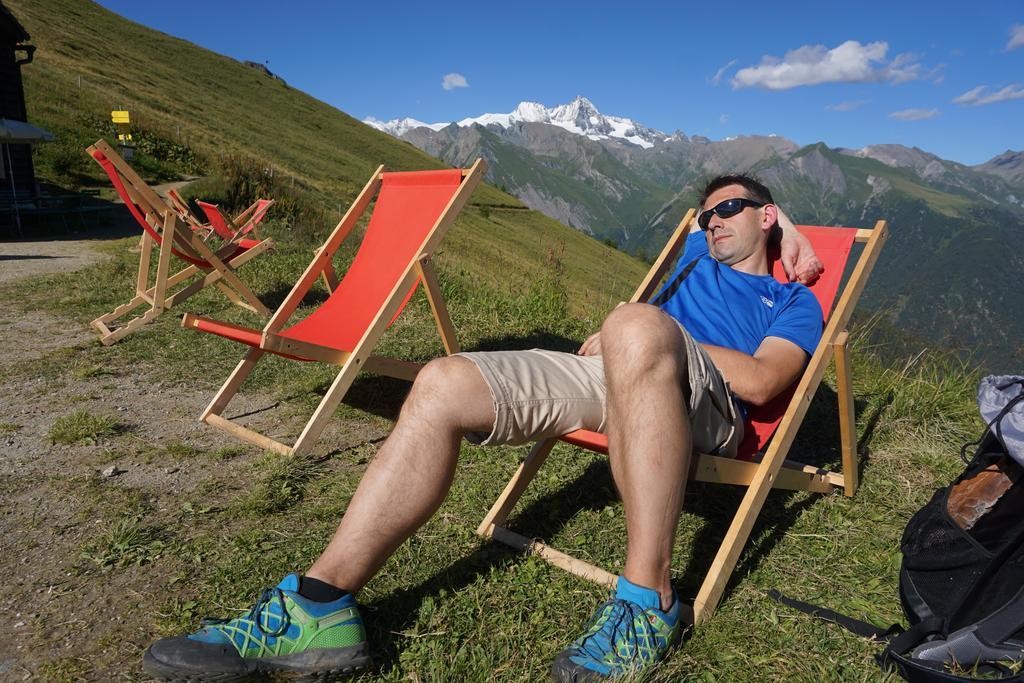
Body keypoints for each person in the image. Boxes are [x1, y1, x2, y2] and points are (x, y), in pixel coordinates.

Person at [143, 174, 826, 682]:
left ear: (765, 216)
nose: (712, 221)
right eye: (706, 214)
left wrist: (654, 332)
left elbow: (766, 381)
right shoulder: (692, 262)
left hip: (703, 402)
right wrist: (633, 336)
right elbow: (686, 260)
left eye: (729, 209)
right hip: (622, 366)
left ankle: (650, 600)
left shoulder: (791, 299)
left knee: (635, 320)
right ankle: (322, 602)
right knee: (442, 382)